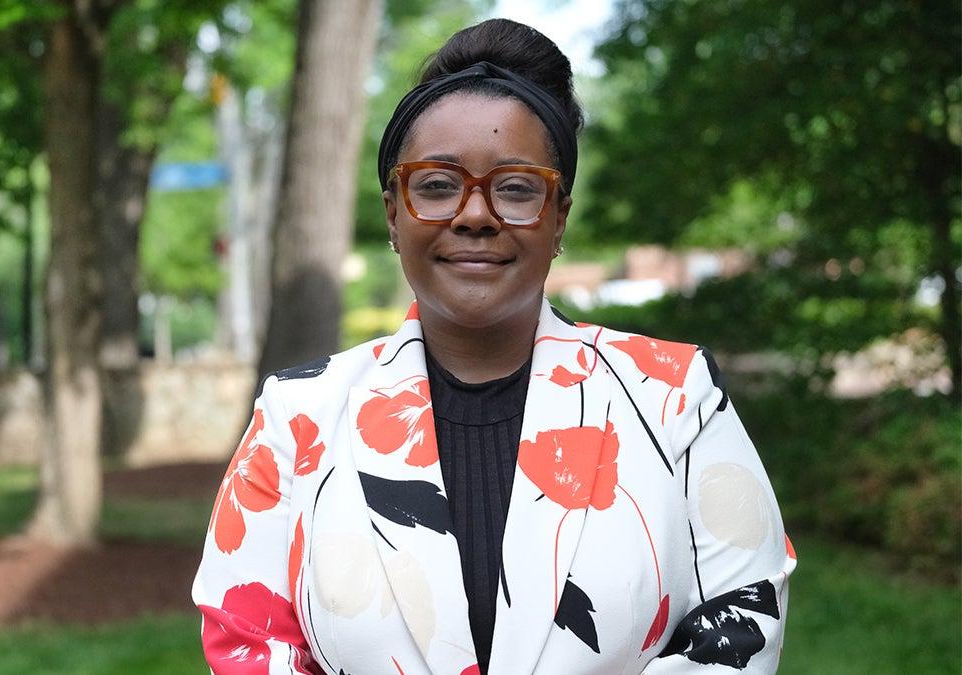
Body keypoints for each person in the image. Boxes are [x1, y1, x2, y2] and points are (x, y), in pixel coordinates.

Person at [193, 18, 795, 675]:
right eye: (436, 184)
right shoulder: (297, 416)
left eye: (514, 187)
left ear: (558, 216)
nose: (475, 213)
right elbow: (249, 639)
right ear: (393, 213)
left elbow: (741, 618)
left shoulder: (676, 397)